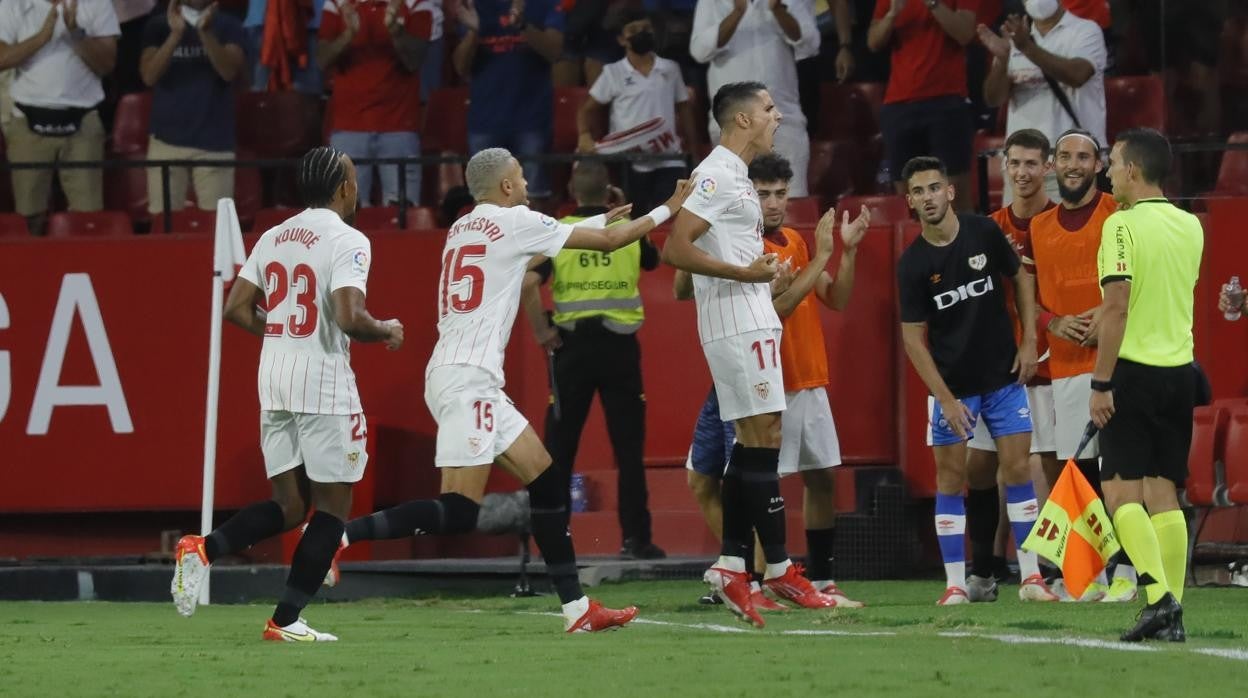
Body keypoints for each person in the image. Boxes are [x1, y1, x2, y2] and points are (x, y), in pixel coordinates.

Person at [335, 148, 693, 633]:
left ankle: (577, 609)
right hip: (469, 380)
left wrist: (581, 228)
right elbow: (610, 242)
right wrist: (669, 206)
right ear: (506, 187)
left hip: (462, 375)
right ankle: (341, 534)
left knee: (546, 483)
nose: (527, 185)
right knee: (460, 510)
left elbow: (530, 248)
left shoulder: (463, 227)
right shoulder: (518, 222)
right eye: (522, 178)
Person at [169, 147, 405, 642]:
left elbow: (236, 308)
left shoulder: (274, 235)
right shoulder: (349, 240)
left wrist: (282, 334)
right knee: (333, 509)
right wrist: (385, 328)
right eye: (355, 181)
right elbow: (348, 317)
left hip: (273, 377)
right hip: (322, 382)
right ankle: (287, 619)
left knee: (290, 505)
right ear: (342, 189)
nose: (358, 189)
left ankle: (202, 548)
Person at [662, 81, 837, 628]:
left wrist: (763, 277)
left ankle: (734, 565)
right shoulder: (715, 174)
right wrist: (746, 274)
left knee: (761, 443)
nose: (777, 116)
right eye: (767, 109)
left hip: (752, 320)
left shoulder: (736, 176)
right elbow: (676, 247)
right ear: (740, 120)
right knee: (760, 441)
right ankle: (778, 568)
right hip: (735, 325)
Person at [678, 152, 871, 609]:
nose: (772, 203)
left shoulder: (795, 243)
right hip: (762, 379)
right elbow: (770, 311)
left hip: (805, 376)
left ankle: (808, 578)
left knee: (813, 478)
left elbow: (836, 298)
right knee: (744, 478)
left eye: (780, 193)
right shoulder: (740, 246)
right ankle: (753, 577)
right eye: (763, 194)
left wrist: (848, 250)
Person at [895, 155, 1052, 605]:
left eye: (933, 188)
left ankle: (1030, 579)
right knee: (951, 480)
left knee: (1019, 470)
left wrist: (1028, 342)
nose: (927, 197)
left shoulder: (983, 231)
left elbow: (1020, 277)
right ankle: (956, 585)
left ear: (950, 191)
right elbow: (912, 342)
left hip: (1003, 378)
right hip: (954, 389)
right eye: (918, 191)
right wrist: (944, 399)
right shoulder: (912, 265)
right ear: (910, 201)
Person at [520, 159, 666, 560]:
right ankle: (637, 540)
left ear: (571, 188)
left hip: (571, 350)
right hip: (620, 350)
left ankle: (553, 544)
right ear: (609, 192)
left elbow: (530, 282)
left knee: (560, 450)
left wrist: (541, 333)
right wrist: (620, 207)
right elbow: (653, 260)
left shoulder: (561, 231)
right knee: (629, 451)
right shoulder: (628, 228)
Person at [1090, 128, 1203, 642]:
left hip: (1132, 372)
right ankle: (1172, 611)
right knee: (1164, 493)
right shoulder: (1190, 226)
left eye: (1112, 163)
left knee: (1119, 495)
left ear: (1132, 171)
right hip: (1180, 372)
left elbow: (1117, 306)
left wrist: (1101, 382)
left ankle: (1157, 599)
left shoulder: (1120, 225)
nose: (1107, 172)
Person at [1030, 127, 1142, 603]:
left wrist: (1105, 316)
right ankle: (1094, 571)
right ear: (1053, 165)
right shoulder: (1038, 226)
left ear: (1099, 165)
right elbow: (1028, 301)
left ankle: (1129, 570)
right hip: (1063, 366)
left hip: (1114, 361)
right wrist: (1052, 323)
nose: (1073, 164)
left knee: (1118, 468)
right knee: (1080, 472)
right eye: (1064, 156)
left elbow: (1138, 281)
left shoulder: (1118, 214)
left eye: (1084, 156)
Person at [962, 127, 1057, 603]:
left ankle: (1048, 567)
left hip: (1054, 366)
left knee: (1050, 466)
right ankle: (986, 566)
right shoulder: (987, 228)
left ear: (1049, 168)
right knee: (985, 467)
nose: (1022, 172)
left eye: (1031, 163)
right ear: (1003, 165)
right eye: (1014, 163)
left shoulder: (1061, 222)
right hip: (997, 370)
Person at [0, 0, 119, 236]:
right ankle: (30, 270)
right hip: (28, 121)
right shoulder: (12, 4)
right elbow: (2, 58)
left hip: (83, 123)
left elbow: (107, 64)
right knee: (28, 217)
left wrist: (75, 33)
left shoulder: (96, 3)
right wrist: (42, 38)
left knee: (88, 218)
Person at [978, 0, 1106, 203]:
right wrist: (1002, 60)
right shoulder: (1014, 37)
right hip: (1021, 170)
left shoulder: (1085, 31)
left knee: (1070, 235)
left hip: (1071, 167)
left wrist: (1026, 47)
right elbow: (994, 99)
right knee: (1016, 236)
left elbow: (1078, 75)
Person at [689, 0, 819, 197]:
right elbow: (699, 51)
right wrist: (738, 12)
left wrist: (777, 9)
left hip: (782, 119)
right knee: (734, 202)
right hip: (732, 123)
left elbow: (810, 43)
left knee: (791, 198)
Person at [577, 8, 698, 216]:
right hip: (630, 162)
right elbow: (586, 110)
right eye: (634, 30)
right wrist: (584, 135)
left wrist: (694, 150)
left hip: (668, 157)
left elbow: (684, 110)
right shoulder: (613, 72)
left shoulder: (670, 68)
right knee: (634, 220)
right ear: (622, 40)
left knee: (670, 219)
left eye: (646, 29)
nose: (642, 33)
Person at [867, 0, 977, 211]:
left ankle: (967, 245)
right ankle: (918, 243)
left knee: (955, 196)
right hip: (899, 105)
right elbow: (873, 42)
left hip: (947, 102)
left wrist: (933, 4)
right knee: (909, 201)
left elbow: (965, 33)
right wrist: (891, 15)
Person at [319, 0, 431, 207]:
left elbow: (414, 60)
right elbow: (322, 59)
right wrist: (348, 35)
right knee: (344, 220)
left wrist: (394, 29)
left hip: (399, 127)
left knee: (403, 215)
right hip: (348, 127)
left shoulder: (415, 3)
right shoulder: (338, 4)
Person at [140, 0, 245, 216]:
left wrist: (205, 33)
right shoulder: (158, 26)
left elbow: (228, 72)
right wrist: (175, 35)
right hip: (165, 142)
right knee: (163, 228)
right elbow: (149, 76)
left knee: (217, 229)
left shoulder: (230, 26)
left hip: (214, 143)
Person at [454, 0, 564, 203]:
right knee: (486, 201)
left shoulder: (544, 4)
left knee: (533, 198)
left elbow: (555, 51)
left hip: (531, 119)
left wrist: (523, 25)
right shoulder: (477, 6)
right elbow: (461, 68)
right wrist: (473, 33)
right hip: (485, 120)